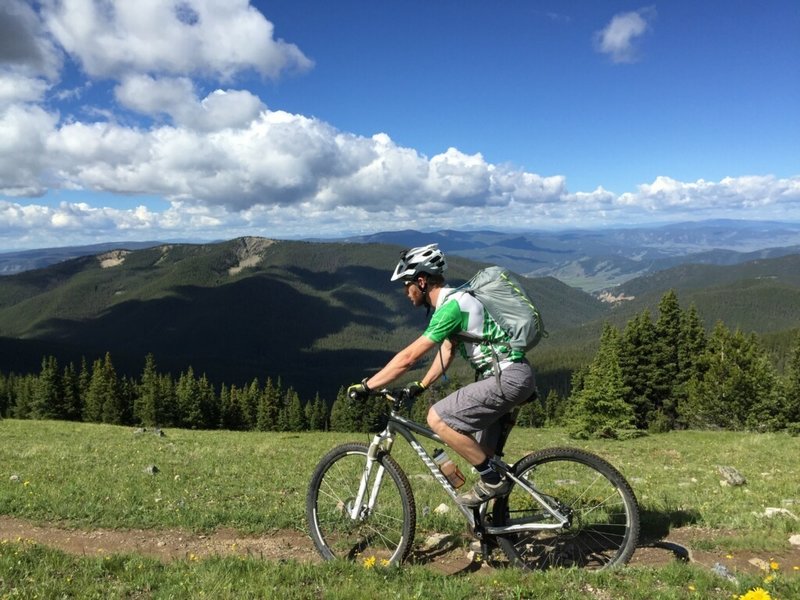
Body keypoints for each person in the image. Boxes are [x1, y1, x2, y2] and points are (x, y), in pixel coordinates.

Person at [348, 243, 537, 507]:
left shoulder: (451, 307)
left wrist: (367, 386)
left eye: (407, 283)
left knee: (437, 419)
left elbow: (409, 357)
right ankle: (492, 530)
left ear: (422, 281)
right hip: (513, 376)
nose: (405, 291)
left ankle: (493, 482)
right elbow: (447, 351)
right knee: (484, 458)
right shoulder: (457, 300)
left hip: (506, 379)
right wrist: (420, 385)